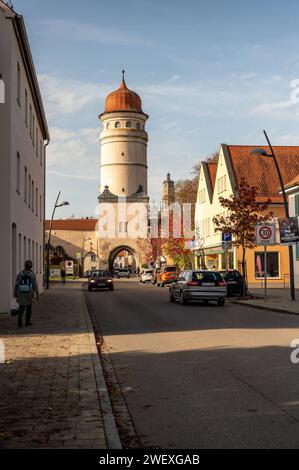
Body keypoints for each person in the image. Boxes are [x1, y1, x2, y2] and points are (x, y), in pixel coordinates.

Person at [14, 260, 39, 328]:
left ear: (25, 265)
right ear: (31, 266)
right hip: (29, 293)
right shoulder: (32, 274)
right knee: (29, 307)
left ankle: (20, 317)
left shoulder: (20, 273)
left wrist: (15, 292)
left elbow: (16, 284)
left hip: (21, 292)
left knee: (21, 306)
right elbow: (35, 285)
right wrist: (37, 295)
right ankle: (27, 321)